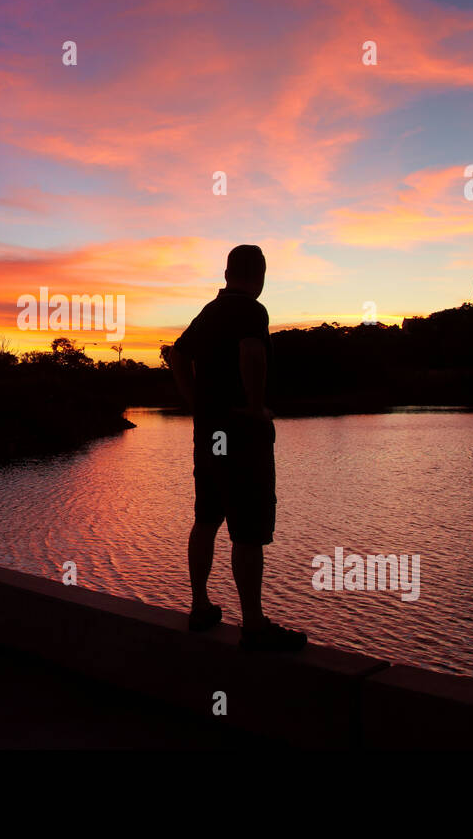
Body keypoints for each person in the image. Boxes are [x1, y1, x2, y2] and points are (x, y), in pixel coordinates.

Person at [169, 245, 308, 652]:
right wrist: (254, 406)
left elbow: (177, 354)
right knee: (248, 531)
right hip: (241, 433)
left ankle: (200, 606)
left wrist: (195, 404)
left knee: (207, 518)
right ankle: (254, 625)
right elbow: (251, 353)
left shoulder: (209, 312)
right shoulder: (250, 309)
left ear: (227, 272)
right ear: (260, 276)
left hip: (210, 431)